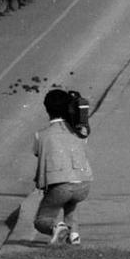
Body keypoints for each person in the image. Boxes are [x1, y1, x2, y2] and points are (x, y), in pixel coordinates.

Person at [33, 89, 94, 245]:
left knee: (42, 219)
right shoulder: (79, 132)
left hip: (61, 186)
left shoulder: (41, 135)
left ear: (47, 109)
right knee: (71, 203)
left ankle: (57, 228)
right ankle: (74, 234)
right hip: (83, 185)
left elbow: (36, 152)